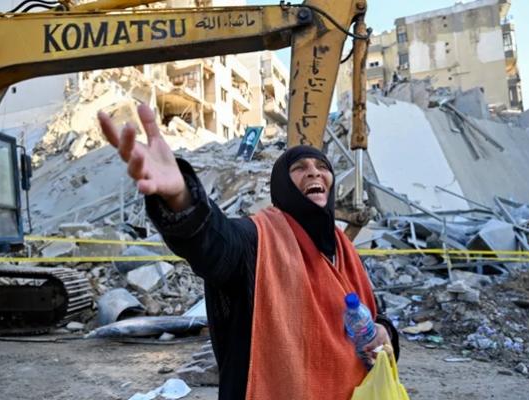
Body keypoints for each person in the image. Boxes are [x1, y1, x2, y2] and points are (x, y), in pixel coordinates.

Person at [98, 104, 399, 400]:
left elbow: (375, 313)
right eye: (299, 168)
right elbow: (215, 245)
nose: (314, 173)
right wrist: (181, 198)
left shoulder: (343, 249)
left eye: (322, 167)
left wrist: (384, 332)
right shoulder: (258, 239)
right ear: (281, 185)